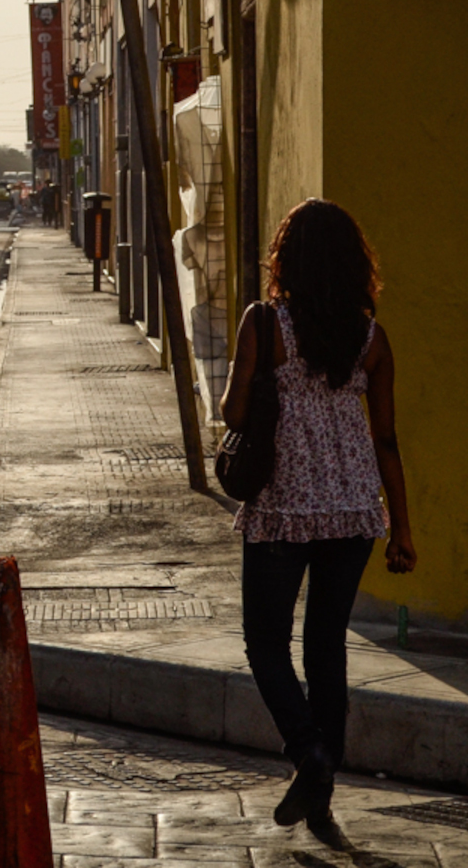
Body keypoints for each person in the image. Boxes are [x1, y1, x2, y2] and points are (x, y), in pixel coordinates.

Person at [219, 199, 415, 841]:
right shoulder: (370, 338)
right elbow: (387, 440)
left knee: (265, 643)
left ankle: (310, 753)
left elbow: (234, 415)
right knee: (326, 644)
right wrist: (403, 529)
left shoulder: (265, 323)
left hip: (282, 506)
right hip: (356, 507)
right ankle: (322, 790)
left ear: (287, 259)